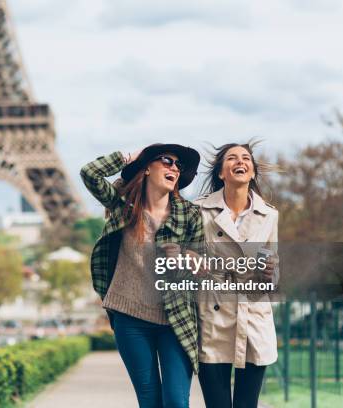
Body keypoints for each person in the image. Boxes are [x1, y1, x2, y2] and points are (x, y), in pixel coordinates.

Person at [80, 144, 203, 408]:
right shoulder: (123, 206)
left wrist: (188, 260)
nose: (174, 168)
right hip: (130, 318)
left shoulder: (190, 214)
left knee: (176, 401)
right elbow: (89, 173)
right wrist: (128, 158)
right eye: (167, 161)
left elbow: (200, 265)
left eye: (178, 166)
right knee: (149, 401)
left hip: (176, 317)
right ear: (147, 167)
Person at [193, 142, 279, 408]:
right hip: (213, 317)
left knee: (246, 404)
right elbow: (180, 259)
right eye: (231, 158)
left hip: (253, 317)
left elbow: (274, 267)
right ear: (221, 172)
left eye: (245, 158)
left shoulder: (270, 215)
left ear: (252, 172)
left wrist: (270, 271)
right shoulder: (198, 210)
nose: (240, 161)